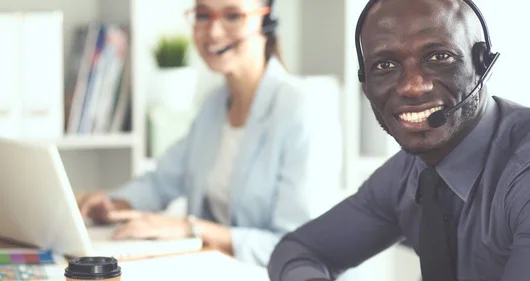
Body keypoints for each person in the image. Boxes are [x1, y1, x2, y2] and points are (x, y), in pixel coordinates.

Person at [267, 0, 530, 280]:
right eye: (385, 65)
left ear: (482, 65)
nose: (412, 86)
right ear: (365, 84)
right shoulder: (409, 173)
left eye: (439, 57)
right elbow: (297, 250)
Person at [77, 0, 343, 267]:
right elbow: (162, 181)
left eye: (232, 15)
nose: (213, 31)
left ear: (266, 21)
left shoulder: (304, 110)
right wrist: (114, 204)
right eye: (203, 15)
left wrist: (191, 229)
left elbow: (302, 247)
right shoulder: (214, 105)